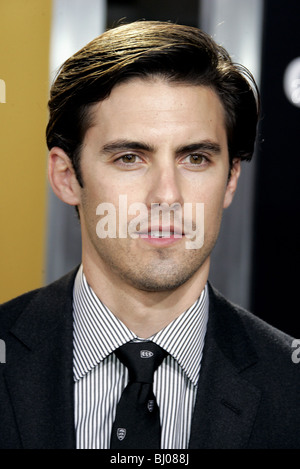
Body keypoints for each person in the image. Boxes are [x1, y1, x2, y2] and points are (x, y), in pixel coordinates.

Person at [0, 20, 299, 450]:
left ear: (231, 180)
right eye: (129, 157)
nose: (167, 196)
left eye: (195, 158)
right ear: (67, 177)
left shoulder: (291, 385)